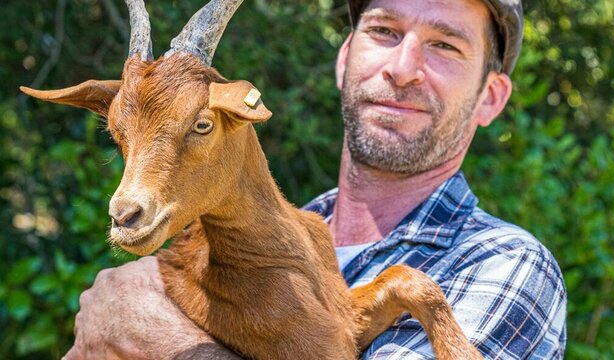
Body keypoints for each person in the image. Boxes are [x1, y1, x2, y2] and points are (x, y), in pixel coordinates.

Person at [64, 0, 567, 359]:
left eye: (445, 45)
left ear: (492, 97)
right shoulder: (286, 237)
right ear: (345, 57)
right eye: (385, 31)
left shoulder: (507, 264)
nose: (403, 67)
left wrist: (151, 334)